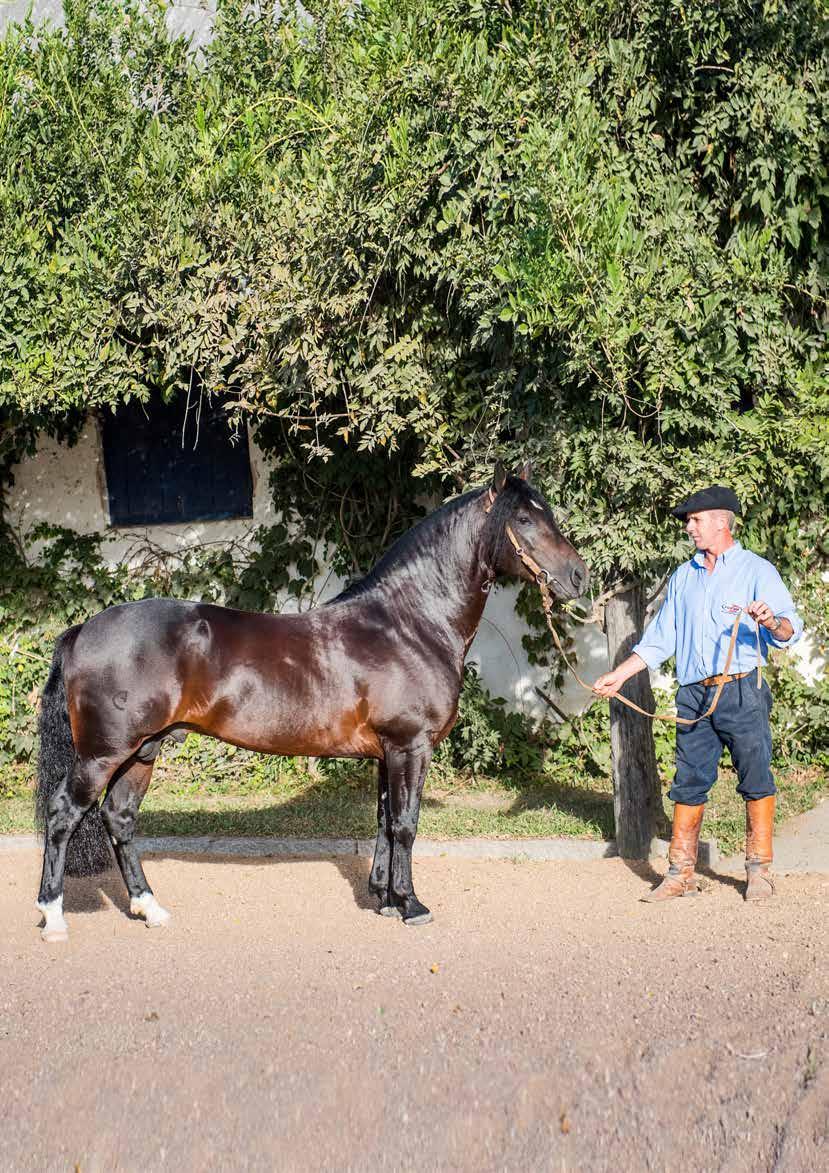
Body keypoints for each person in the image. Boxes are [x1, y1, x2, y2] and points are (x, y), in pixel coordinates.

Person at [592, 486, 802, 902]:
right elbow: (660, 639)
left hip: (743, 690)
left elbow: (789, 631)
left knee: (756, 776)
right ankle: (679, 874)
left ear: (722, 522)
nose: (689, 527)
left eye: (696, 520)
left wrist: (770, 620)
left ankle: (758, 872)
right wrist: (620, 674)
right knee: (687, 783)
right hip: (694, 696)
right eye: (688, 521)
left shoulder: (756, 570)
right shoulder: (683, 575)